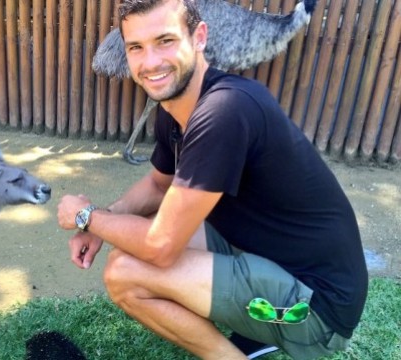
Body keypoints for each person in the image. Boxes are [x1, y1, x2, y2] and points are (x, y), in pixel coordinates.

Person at [56, 0, 368, 359]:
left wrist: (86, 216)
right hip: (271, 258)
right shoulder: (175, 108)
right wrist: (101, 221)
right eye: (136, 47)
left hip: (318, 308)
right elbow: (159, 186)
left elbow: (161, 246)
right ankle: (256, 328)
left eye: (165, 41)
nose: (151, 61)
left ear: (199, 37)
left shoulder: (225, 111)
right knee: (131, 235)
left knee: (125, 272)